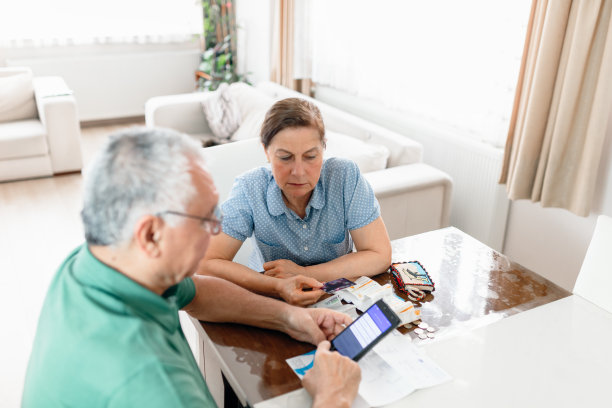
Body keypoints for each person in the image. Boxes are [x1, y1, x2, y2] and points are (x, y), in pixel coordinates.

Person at [21, 127, 360, 408]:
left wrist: (286, 317)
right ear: (152, 234)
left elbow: (197, 291)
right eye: (206, 219)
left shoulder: (95, 260)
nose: (217, 230)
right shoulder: (158, 388)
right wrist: (334, 397)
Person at [200, 98, 392, 306]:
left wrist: (304, 273)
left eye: (310, 156)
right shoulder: (250, 187)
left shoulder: (344, 176)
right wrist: (277, 285)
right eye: (285, 157)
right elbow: (206, 263)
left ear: (323, 148)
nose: (299, 172)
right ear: (266, 152)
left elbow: (379, 254)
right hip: (273, 299)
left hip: (340, 298)